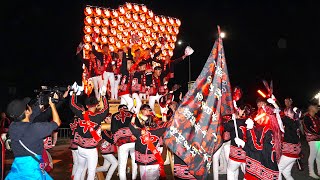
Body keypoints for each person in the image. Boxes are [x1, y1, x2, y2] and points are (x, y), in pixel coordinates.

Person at [5, 96, 60, 179]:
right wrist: (52, 105)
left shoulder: (13, 126)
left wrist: (40, 104)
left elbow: (30, 116)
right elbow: (57, 123)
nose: (30, 106)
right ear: (26, 111)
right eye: (28, 105)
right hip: (32, 171)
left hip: (18, 168)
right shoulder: (34, 128)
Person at [237, 98, 281, 180]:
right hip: (268, 165)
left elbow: (256, 147)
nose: (257, 116)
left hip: (262, 166)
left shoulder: (265, 129)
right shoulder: (271, 128)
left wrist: (250, 130)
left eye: (259, 114)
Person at [70, 91, 109, 180]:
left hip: (80, 147)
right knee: (91, 172)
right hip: (91, 149)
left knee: (79, 168)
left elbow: (72, 104)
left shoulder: (81, 114)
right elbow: (106, 108)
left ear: (86, 106)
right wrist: (103, 96)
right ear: (96, 105)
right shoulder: (98, 116)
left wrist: (73, 94)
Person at [129, 104, 169, 180]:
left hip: (143, 163)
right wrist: (164, 113)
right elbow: (165, 124)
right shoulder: (157, 131)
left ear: (144, 123)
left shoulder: (139, 132)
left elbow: (131, 125)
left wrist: (134, 114)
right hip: (154, 161)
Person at [278, 98, 302, 180]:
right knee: (286, 172)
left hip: (290, 151)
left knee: (278, 170)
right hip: (293, 150)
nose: (286, 103)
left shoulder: (289, 121)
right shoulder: (294, 123)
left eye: (288, 101)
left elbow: (281, 118)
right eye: (285, 101)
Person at [225, 105, 251, 180]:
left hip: (235, 154)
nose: (237, 110)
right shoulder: (251, 122)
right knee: (247, 175)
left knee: (230, 171)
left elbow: (225, 127)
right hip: (247, 153)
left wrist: (232, 120)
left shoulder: (233, 123)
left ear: (243, 112)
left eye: (240, 109)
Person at [96, 114, 118, 180]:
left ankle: (91, 171)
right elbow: (111, 140)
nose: (109, 120)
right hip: (105, 150)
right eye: (107, 119)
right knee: (115, 163)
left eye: (110, 118)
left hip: (109, 150)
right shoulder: (104, 130)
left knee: (105, 168)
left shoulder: (112, 128)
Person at [302, 103, 320, 179]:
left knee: (318, 156)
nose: (318, 108)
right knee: (313, 155)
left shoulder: (316, 117)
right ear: (311, 108)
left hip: (318, 138)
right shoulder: (306, 117)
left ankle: (319, 171)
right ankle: (311, 172)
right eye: (316, 107)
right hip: (312, 139)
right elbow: (307, 129)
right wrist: (317, 134)